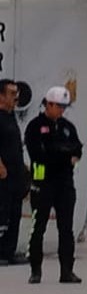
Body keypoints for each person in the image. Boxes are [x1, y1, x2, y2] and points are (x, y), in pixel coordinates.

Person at [25, 86, 83, 284]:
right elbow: (39, 155)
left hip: (65, 183)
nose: (62, 111)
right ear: (48, 104)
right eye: (59, 106)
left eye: (64, 107)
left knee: (66, 228)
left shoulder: (68, 127)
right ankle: (35, 270)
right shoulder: (35, 126)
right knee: (38, 227)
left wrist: (62, 152)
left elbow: (77, 149)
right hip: (42, 183)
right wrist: (64, 155)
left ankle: (67, 270)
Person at [0, 79, 29, 265]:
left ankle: (9, 251)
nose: (15, 97)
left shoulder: (11, 116)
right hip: (2, 174)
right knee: (2, 213)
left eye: (16, 93)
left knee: (14, 212)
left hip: (15, 174)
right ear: (1, 96)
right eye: (11, 93)